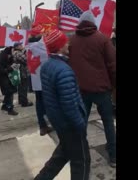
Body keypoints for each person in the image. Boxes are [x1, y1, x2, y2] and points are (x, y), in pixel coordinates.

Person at [34, 29, 90, 180]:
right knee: (82, 162)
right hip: (70, 126)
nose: (68, 44)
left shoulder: (47, 66)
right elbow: (69, 104)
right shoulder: (64, 70)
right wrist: (80, 124)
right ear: (59, 46)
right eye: (65, 42)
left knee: (61, 156)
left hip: (59, 123)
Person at [68, 10, 116, 168]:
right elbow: (112, 65)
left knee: (81, 123)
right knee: (108, 123)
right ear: (93, 22)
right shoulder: (102, 39)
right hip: (102, 89)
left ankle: (80, 155)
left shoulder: (72, 41)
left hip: (81, 90)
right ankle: (114, 156)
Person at [28, 24, 53, 136]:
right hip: (46, 79)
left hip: (36, 80)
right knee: (49, 103)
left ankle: (42, 125)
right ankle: (51, 122)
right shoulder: (43, 46)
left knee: (39, 103)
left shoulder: (28, 47)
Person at [0, 46, 19, 115]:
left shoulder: (10, 60)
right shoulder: (1, 62)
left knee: (9, 94)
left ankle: (4, 106)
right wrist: (10, 69)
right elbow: (2, 71)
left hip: (11, 80)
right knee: (9, 94)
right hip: (5, 81)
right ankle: (10, 108)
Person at [12, 42, 33, 107]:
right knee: (24, 87)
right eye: (20, 45)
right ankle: (24, 102)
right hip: (22, 72)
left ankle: (21, 100)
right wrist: (25, 52)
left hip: (19, 72)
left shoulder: (15, 53)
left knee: (21, 87)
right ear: (17, 47)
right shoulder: (18, 53)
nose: (22, 46)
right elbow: (26, 60)